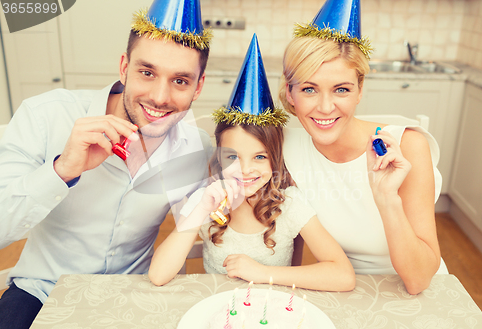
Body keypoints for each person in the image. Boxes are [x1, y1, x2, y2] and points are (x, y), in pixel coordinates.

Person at [0, 0, 212, 329]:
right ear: (124, 67)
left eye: (181, 81)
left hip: (132, 296)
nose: (160, 96)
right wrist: (62, 170)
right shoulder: (46, 116)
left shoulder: (197, 148)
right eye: (147, 72)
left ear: (198, 87)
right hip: (39, 293)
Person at [148, 34, 355, 292]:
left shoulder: (289, 204)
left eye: (259, 157)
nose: (245, 170)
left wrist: (262, 273)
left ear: (274, 158)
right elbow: (158, 275)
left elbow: (344, 276)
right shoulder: (207, 200)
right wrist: (200, 210)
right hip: (220, 311)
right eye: (232, 157)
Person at [279, 0, 446, 295]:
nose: (326, 107)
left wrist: (386, 198)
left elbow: (419, 281)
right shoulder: (287, 149)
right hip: (342, 286)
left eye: (341, 89)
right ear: (290, 94)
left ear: (360, 90)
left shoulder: (408, 147)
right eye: (309, 89)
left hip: (413, 292)